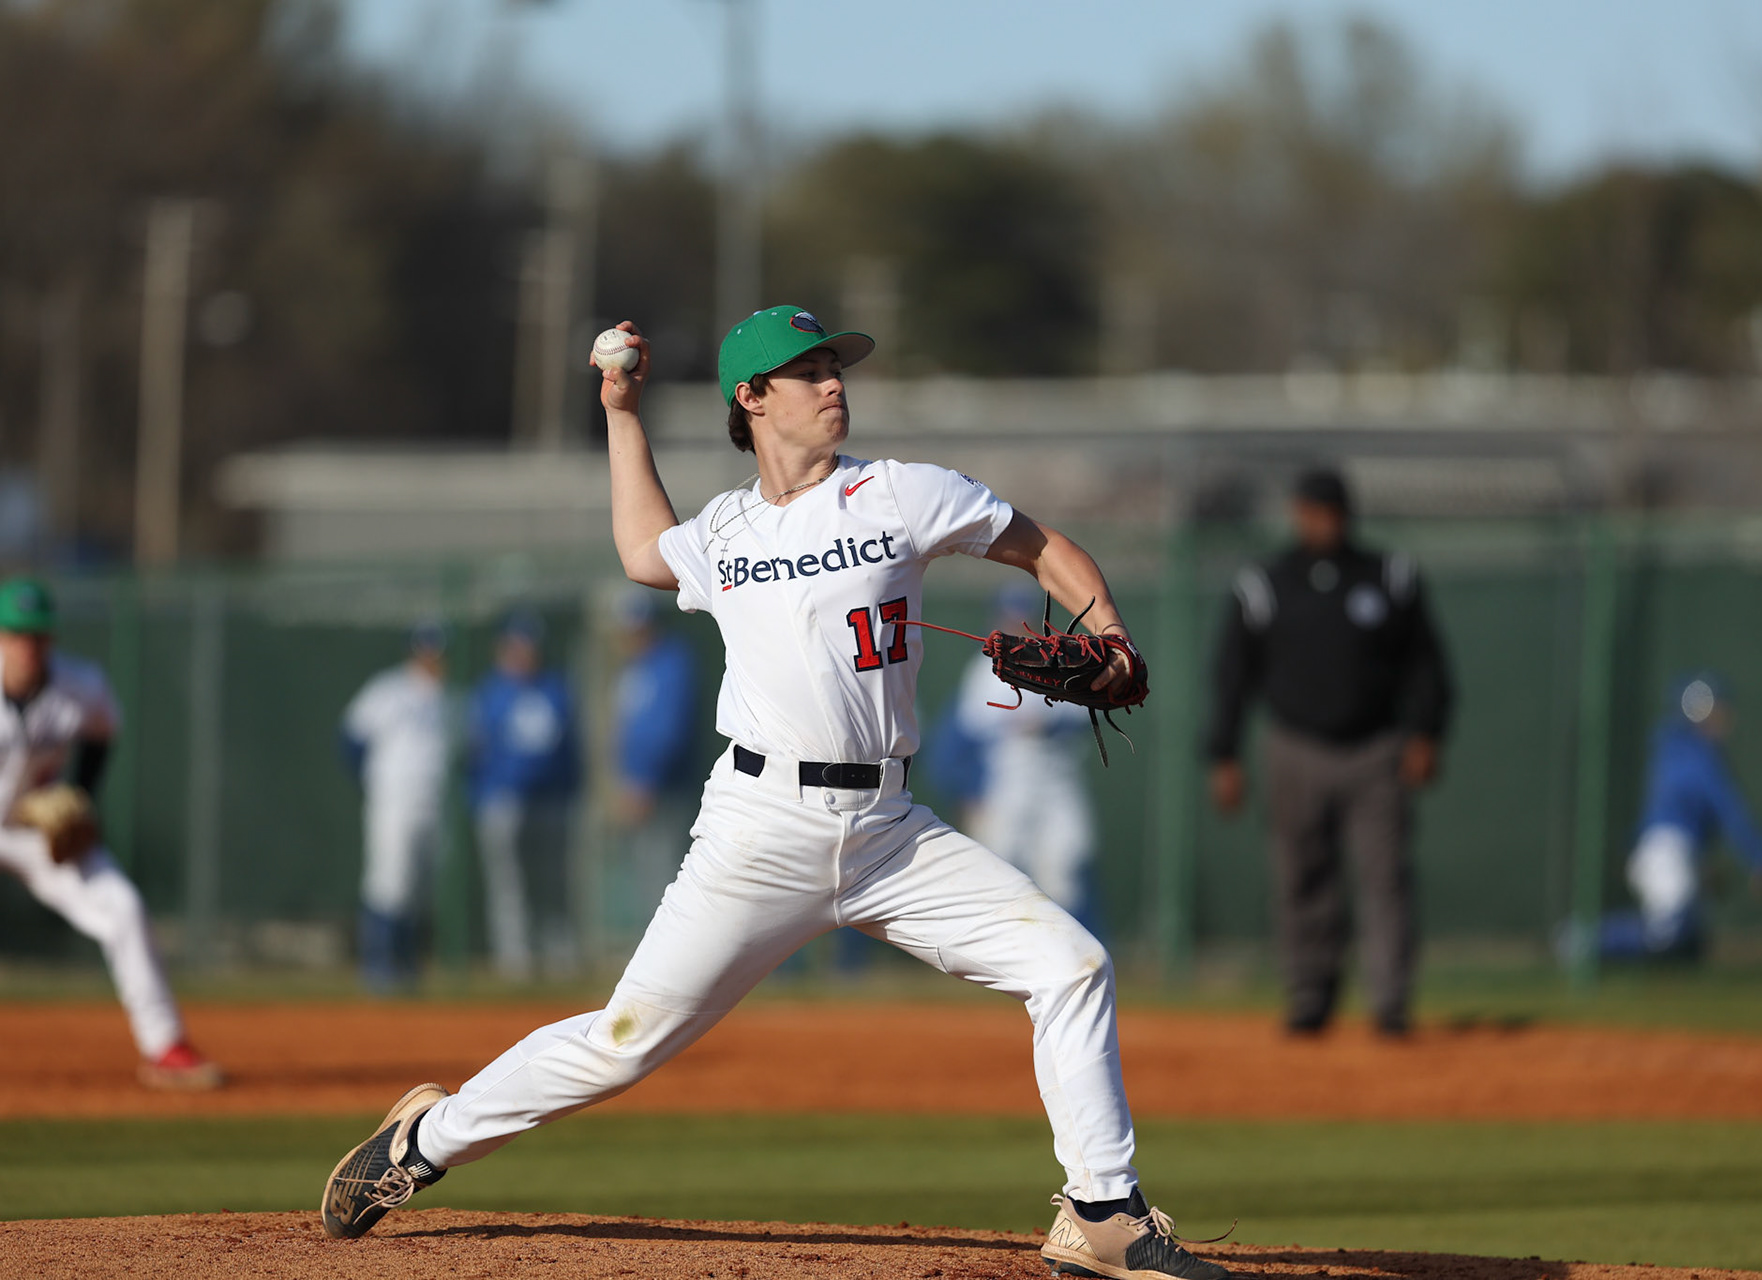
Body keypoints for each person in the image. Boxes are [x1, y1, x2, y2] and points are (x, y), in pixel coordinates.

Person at [320, 306, 1227, 1280]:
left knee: (1071, 964)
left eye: (836, 367)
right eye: (808, 371)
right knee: (623, 1042)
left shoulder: (903, 492)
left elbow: (1042, 546)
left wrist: (1111, 632)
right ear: (751, 397)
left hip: (889, 831)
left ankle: (1102, 1212)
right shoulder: (724, 528)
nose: (834, 383)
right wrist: (620, 410)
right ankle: (423, 1140)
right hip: (760, 827)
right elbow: (643, 551)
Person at [1204, 467, 1453, 1038]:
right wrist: (1224, 753)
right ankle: (1308, 996)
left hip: (1375, 749)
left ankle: (1389, 1001)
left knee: (1385, 877)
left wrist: (1426, 732)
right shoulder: (1265, 585)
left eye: (1331, 512)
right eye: (1311, 512)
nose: (1322, 523)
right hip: (1294, 746)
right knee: (1301, 876)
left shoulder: (1389, 577)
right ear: (1297, 514)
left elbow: (1426, 663)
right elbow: (1232, 674)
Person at [0, 577, 222, 1089]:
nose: (28, 645)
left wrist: (81, 797)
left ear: (51, 637)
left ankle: (166, 1046)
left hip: (35, 832)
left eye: (37, 634)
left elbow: (102, 732)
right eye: (16, 634)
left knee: (122, 905)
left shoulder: (82, 686)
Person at [1596, 673, 1762, 960]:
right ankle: (1580, 938)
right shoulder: (1698, 757)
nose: (1727, 718)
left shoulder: (1673, 751)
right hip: (1665, 855)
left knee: (1690, 943)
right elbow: (1730, 812)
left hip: (1673, 854)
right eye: (1720, 709)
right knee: (1669, 934)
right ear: (1700, 712)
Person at [952, 583, 1100, 927]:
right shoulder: (984, 669)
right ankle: (1002, 943)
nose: (1017, 624)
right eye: (1011, 616)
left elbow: (1080, 715)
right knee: (1002, 860)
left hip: (1056, 771)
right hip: (1007, 773)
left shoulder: (1059, 659)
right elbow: (969, 732)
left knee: (1067, 857)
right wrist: (971, 791)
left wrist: (1048, 723)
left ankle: (1064, 940)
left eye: (1024, 617)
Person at [467, 612, 580, 980]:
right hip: (504, 801)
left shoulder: (554, 688)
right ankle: (515, 962)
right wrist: (483, 797)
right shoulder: (490, 693)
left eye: (529, 646)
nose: (524, 654)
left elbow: (571, 750)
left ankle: (560, 961)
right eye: (516, 646)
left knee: (554, 883)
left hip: (551, 800)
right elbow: (475, 753)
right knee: (508, 885)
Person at [340, 622, 450, 992]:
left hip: (435, 804)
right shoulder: (388, 689)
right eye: (427, 649)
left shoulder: (452, 697)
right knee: (389, 881)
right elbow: (351, 741)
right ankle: (378, 964)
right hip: (394, 801)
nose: (433, 657)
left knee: (421, 888)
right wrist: (372, 784)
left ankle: (408, 965)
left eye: (438, 650)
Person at [606, 588, 700, 936]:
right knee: (646, 873)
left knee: (666, 873)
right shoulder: (632, 669)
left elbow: (669, 731)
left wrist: (645, 780)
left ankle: (674, 946)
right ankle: (653, 943)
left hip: (666, 788)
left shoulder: (671, 662)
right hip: (637, 787)